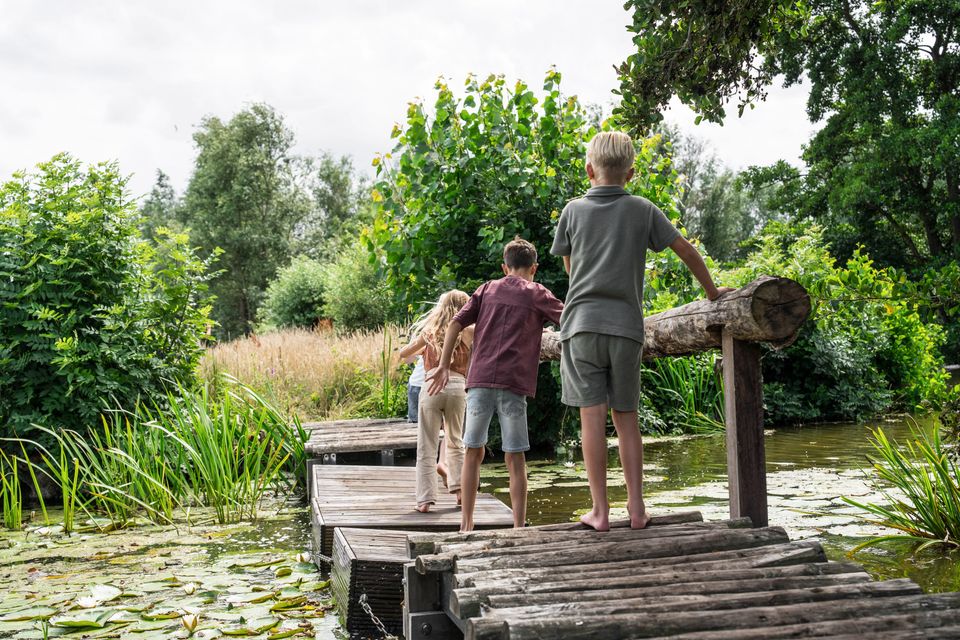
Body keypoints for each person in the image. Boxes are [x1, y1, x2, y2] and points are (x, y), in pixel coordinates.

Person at [550, 131, 733, 532]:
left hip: (581, 326)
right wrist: (713, 292)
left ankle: (600, 512)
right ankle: (636, 509)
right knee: (626, 418)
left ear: (588, 169)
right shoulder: (643, 209)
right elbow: (685, 248)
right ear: (630, 173)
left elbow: (569, 267)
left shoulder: (572, 211)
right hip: (626, 327)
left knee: (591, 418)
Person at [427, 238, 563, 531]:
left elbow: (454, 324)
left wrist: (442, 365)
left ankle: (466, 524)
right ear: (534, 268)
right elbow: (568, 316)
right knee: (515, 457)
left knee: (473, 451)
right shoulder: (537, 292)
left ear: (504, 267)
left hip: (479, 382)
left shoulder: (487, 288)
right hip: (513, 384)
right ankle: (518, 527)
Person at [400, 291, 473, 512]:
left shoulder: (429, 332)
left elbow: (404, 354)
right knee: (456, 441)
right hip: (458, 388)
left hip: (431, 388)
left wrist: (423, 349)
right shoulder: (470, 331)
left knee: (427, 445)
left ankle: (424, 501)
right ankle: (460, 492)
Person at [401, 353, 449, 484]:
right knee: (449, 430)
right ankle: (443, 462)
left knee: (425, 435)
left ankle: (424, 479)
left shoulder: (425, 333)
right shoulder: (460, 333)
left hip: (418, 383)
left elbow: (405, 357)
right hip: (440, 382)